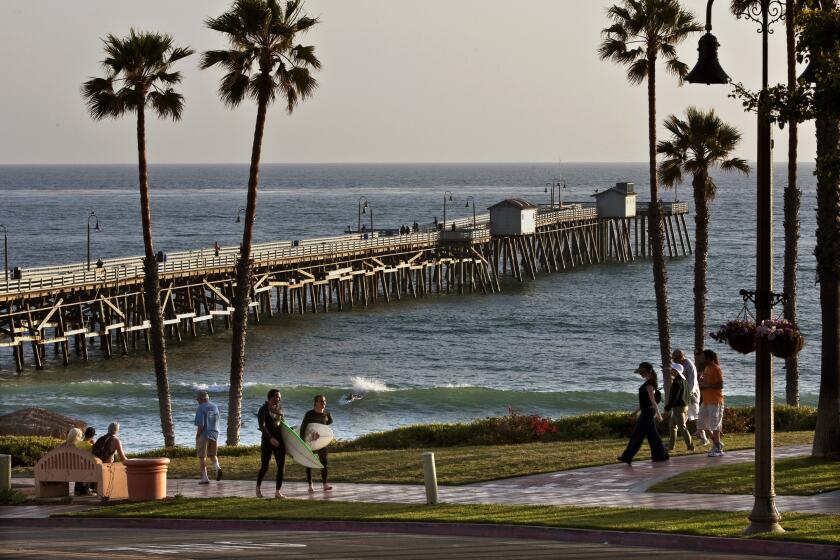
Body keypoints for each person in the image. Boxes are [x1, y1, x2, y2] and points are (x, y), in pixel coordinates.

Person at [617, 362, 669, 464]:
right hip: (647, 411)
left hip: (648, 413)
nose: (641, 374)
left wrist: (658, 414)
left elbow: (652, 400)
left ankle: (627, 456)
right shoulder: (649, 382)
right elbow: (644, 402)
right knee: (653, 435)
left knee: (637, 435)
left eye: (642, 372)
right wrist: (635, 412)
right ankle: (660, 455)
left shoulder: (650, 383)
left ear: (647, 371)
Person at [256, 388, 287, 498]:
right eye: (276, 397)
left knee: (281, 466)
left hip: (279, 441)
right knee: (265, 466)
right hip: (267, 441)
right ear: (270, 397)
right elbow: (262, 426)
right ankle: (258, 488)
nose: (278, 399)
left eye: (279, 397)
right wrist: (270, 439)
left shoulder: (279, 408)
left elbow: (282, 424)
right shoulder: (263, 409)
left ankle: (278, 491)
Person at [299, 395, 333, 493]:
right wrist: (302, 442)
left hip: (321, 441)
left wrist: (323, 432)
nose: (324, 403)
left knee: (324, 463)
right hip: (310, 441)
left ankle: (325, 485)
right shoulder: (309, 414)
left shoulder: (327, 413)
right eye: (321, 401)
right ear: (316, 403)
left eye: (325, 401)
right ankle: (310, 485)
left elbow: (329, 422)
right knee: (309, 463)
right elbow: (303, 428)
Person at [698, 349, 726, 457]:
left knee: (715, 426)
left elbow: (720, 385)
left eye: (703, 357)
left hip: (715, 401)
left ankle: (717, 448)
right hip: (706, 401)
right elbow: (705, 383)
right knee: (702, 424)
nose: (701, 359)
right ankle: (717, 444)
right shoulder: (706, 368)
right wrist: (701, 383)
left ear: (709, 358)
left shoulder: (716, 369)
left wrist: (706, 386)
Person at [664, 363, 693, 452]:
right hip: (684, 407)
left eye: (672, 369)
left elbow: (674, 398)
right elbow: (688, 395)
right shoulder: (684, 381)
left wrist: (667, 408)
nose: (670, 371)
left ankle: (691, 447)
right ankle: (671, 447)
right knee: (672, 426)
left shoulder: (677, 382)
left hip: (678, 408)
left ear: (676, 371)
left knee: (682, 427)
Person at [195, 390, 222, 484]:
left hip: (204, 434)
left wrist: (197, 435)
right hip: (215, 432)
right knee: (213, 455)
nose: (197, 400)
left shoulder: (201, 408)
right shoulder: (215, 406)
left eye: (198, 399)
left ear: (202, 399)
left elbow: (201, 425)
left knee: (202, 457)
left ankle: (205, 478)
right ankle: (217, 468)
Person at [673, 349, 701, 440]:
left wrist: (688, 395)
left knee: (694, 415)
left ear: (681, 357)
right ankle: (675, 434)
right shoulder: (681, 364)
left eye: (675, 359)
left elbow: (692, 382)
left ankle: (703, 436)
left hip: (691, 394)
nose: (674, 361)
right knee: (685, 415)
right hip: (684, 393)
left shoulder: (690, 366)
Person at [75, 427, 97, 495]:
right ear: (93, 436)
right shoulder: (90, 446)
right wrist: (94, 444)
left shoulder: (77, 444)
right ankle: (88, 489)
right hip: (86, 468)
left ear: (85, 434)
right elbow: (94, 457)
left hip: (76, 467)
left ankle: (78, 490)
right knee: (94, 467)